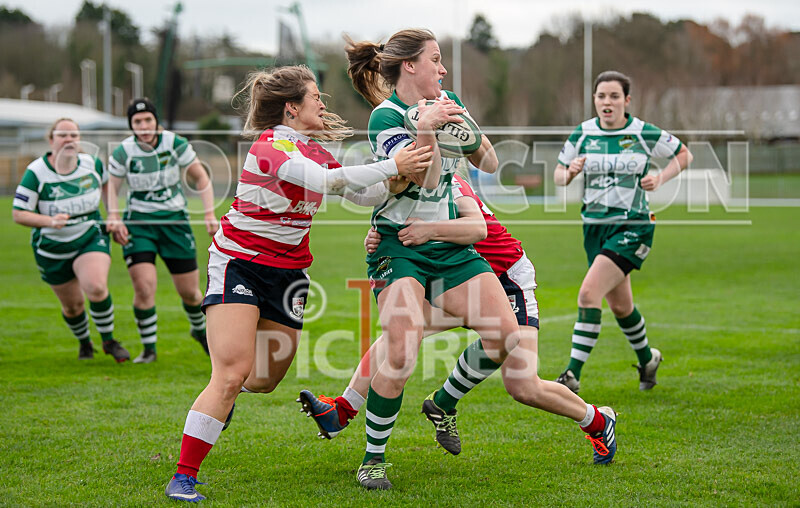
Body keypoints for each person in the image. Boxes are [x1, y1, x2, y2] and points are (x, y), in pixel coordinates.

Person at [343, 29, 617, 491]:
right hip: (400, 245)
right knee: (402, 344)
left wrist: (466, 131)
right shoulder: (384, 117)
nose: (443, 69)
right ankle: (373, 459)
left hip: (451, 249)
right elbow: (426, 185)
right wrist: (427, 129)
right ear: (410, 66)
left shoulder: (448, 99)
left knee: (507, 340)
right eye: (436, 60)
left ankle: (443, 403)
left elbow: (488, 163)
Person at [162, 65, 433, 502]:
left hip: (290, 274)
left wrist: (400, 177)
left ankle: (220, 402)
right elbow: (325, 182)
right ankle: (184, 475)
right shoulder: (269, 147)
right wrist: (391, 164)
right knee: (230, 373)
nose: (322, 103)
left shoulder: (314, 149)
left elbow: (359, 192)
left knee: (264, 380)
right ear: (292, 108)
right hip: (240, 264)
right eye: (315, 97)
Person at [553, 71, 693, 394]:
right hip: (595, 229)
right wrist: (570, 172)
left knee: (589, 294)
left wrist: (660, 178)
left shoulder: (642, 132)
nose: (607, 102)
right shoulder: (583, 133)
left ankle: (571, 376)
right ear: (594, 100)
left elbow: (685, 154)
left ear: (627, 101)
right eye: (601, 96)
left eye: (614, 96)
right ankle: (648, 359)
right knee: (621, 306)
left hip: (633, 226)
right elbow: (559, 175)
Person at [105, 98, 218, 363]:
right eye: (137, 122)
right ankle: (149, 349)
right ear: (131, 125)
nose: (143, 126)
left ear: (156, 121)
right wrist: (114, 217)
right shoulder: (123, 151)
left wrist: (210, 212)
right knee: (144, 287)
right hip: (139, 225)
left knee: (190, 292)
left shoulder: (175, 143)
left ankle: (199, 331)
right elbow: (111, 186)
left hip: (175, 223)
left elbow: (200, 177)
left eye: (147, 120)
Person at [12, 118, 130, 362]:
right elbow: (18, 213)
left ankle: (108, 340)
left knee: (96, 286)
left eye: (74, 135)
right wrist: (49, 221)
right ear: (51, 139)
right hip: (52, 246)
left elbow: (107, 186)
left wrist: (114, 216)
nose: (69, 140)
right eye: (63, 135)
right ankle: (84, 342)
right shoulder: (36, 172)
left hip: (89, 234)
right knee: (73, 306)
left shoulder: (92, 164)